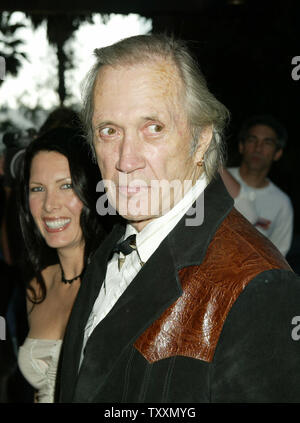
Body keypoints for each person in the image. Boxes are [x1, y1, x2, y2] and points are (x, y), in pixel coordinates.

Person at [57, 34, 300, 403]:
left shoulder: (258, 286)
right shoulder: (112, 243)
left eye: (153, 127)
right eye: (109, 131)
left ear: (201, 140)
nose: (126, 159)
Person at [17, 127, 106, 403]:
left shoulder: (117, 280)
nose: (49, 205)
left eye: (65, 185)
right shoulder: (38, 286)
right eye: (37, 189)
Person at [222, 115, 293, 256]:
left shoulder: (282, 203)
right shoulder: (218, 178)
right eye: (252, 140)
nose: (258, 148)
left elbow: (279, 256)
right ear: (241, 146)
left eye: (267, 143)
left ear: (277, 153)